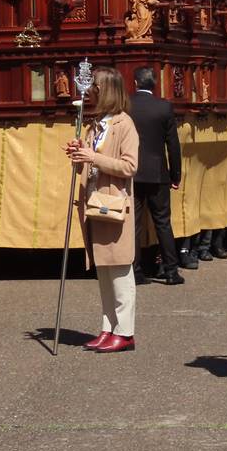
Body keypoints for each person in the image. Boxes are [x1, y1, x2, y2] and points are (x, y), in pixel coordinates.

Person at [66, 67, 139, 353]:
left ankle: (126, 330)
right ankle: (108, 326)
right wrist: (79, 153)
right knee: (104, 271)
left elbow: (130, 166)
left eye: (94, 85)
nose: (90, 90)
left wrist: (94, 156)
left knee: (120, 271)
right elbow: (90, 160)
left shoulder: (125, 124)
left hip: (114, 204)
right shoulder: (96, 124)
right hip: (95, 203)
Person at [129, 67, 183, 286]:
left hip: (132, 171)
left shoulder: (126, 106)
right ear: (154, 84)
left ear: (135, 83)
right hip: (158, 173)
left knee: (133, 225)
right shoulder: (164, 107)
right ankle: (171, 271)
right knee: (163, 223)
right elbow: (173, 144)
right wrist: (175, 174)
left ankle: (135, 271)